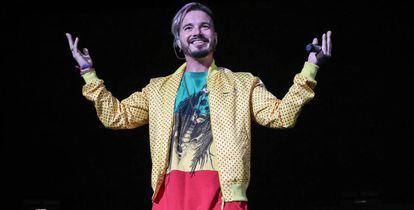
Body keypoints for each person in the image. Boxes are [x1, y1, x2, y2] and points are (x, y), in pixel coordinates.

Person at [66, 2, 332, 210]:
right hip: (170, 194)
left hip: (224, 195)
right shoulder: (157, 89)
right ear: (178, 40)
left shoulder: (242, 83)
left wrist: (311, 67)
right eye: (188, 28)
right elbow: (116, 116)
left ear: (215, 37)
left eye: (204, 27)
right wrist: (88, 72)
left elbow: (281, 116)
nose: (197, 32)